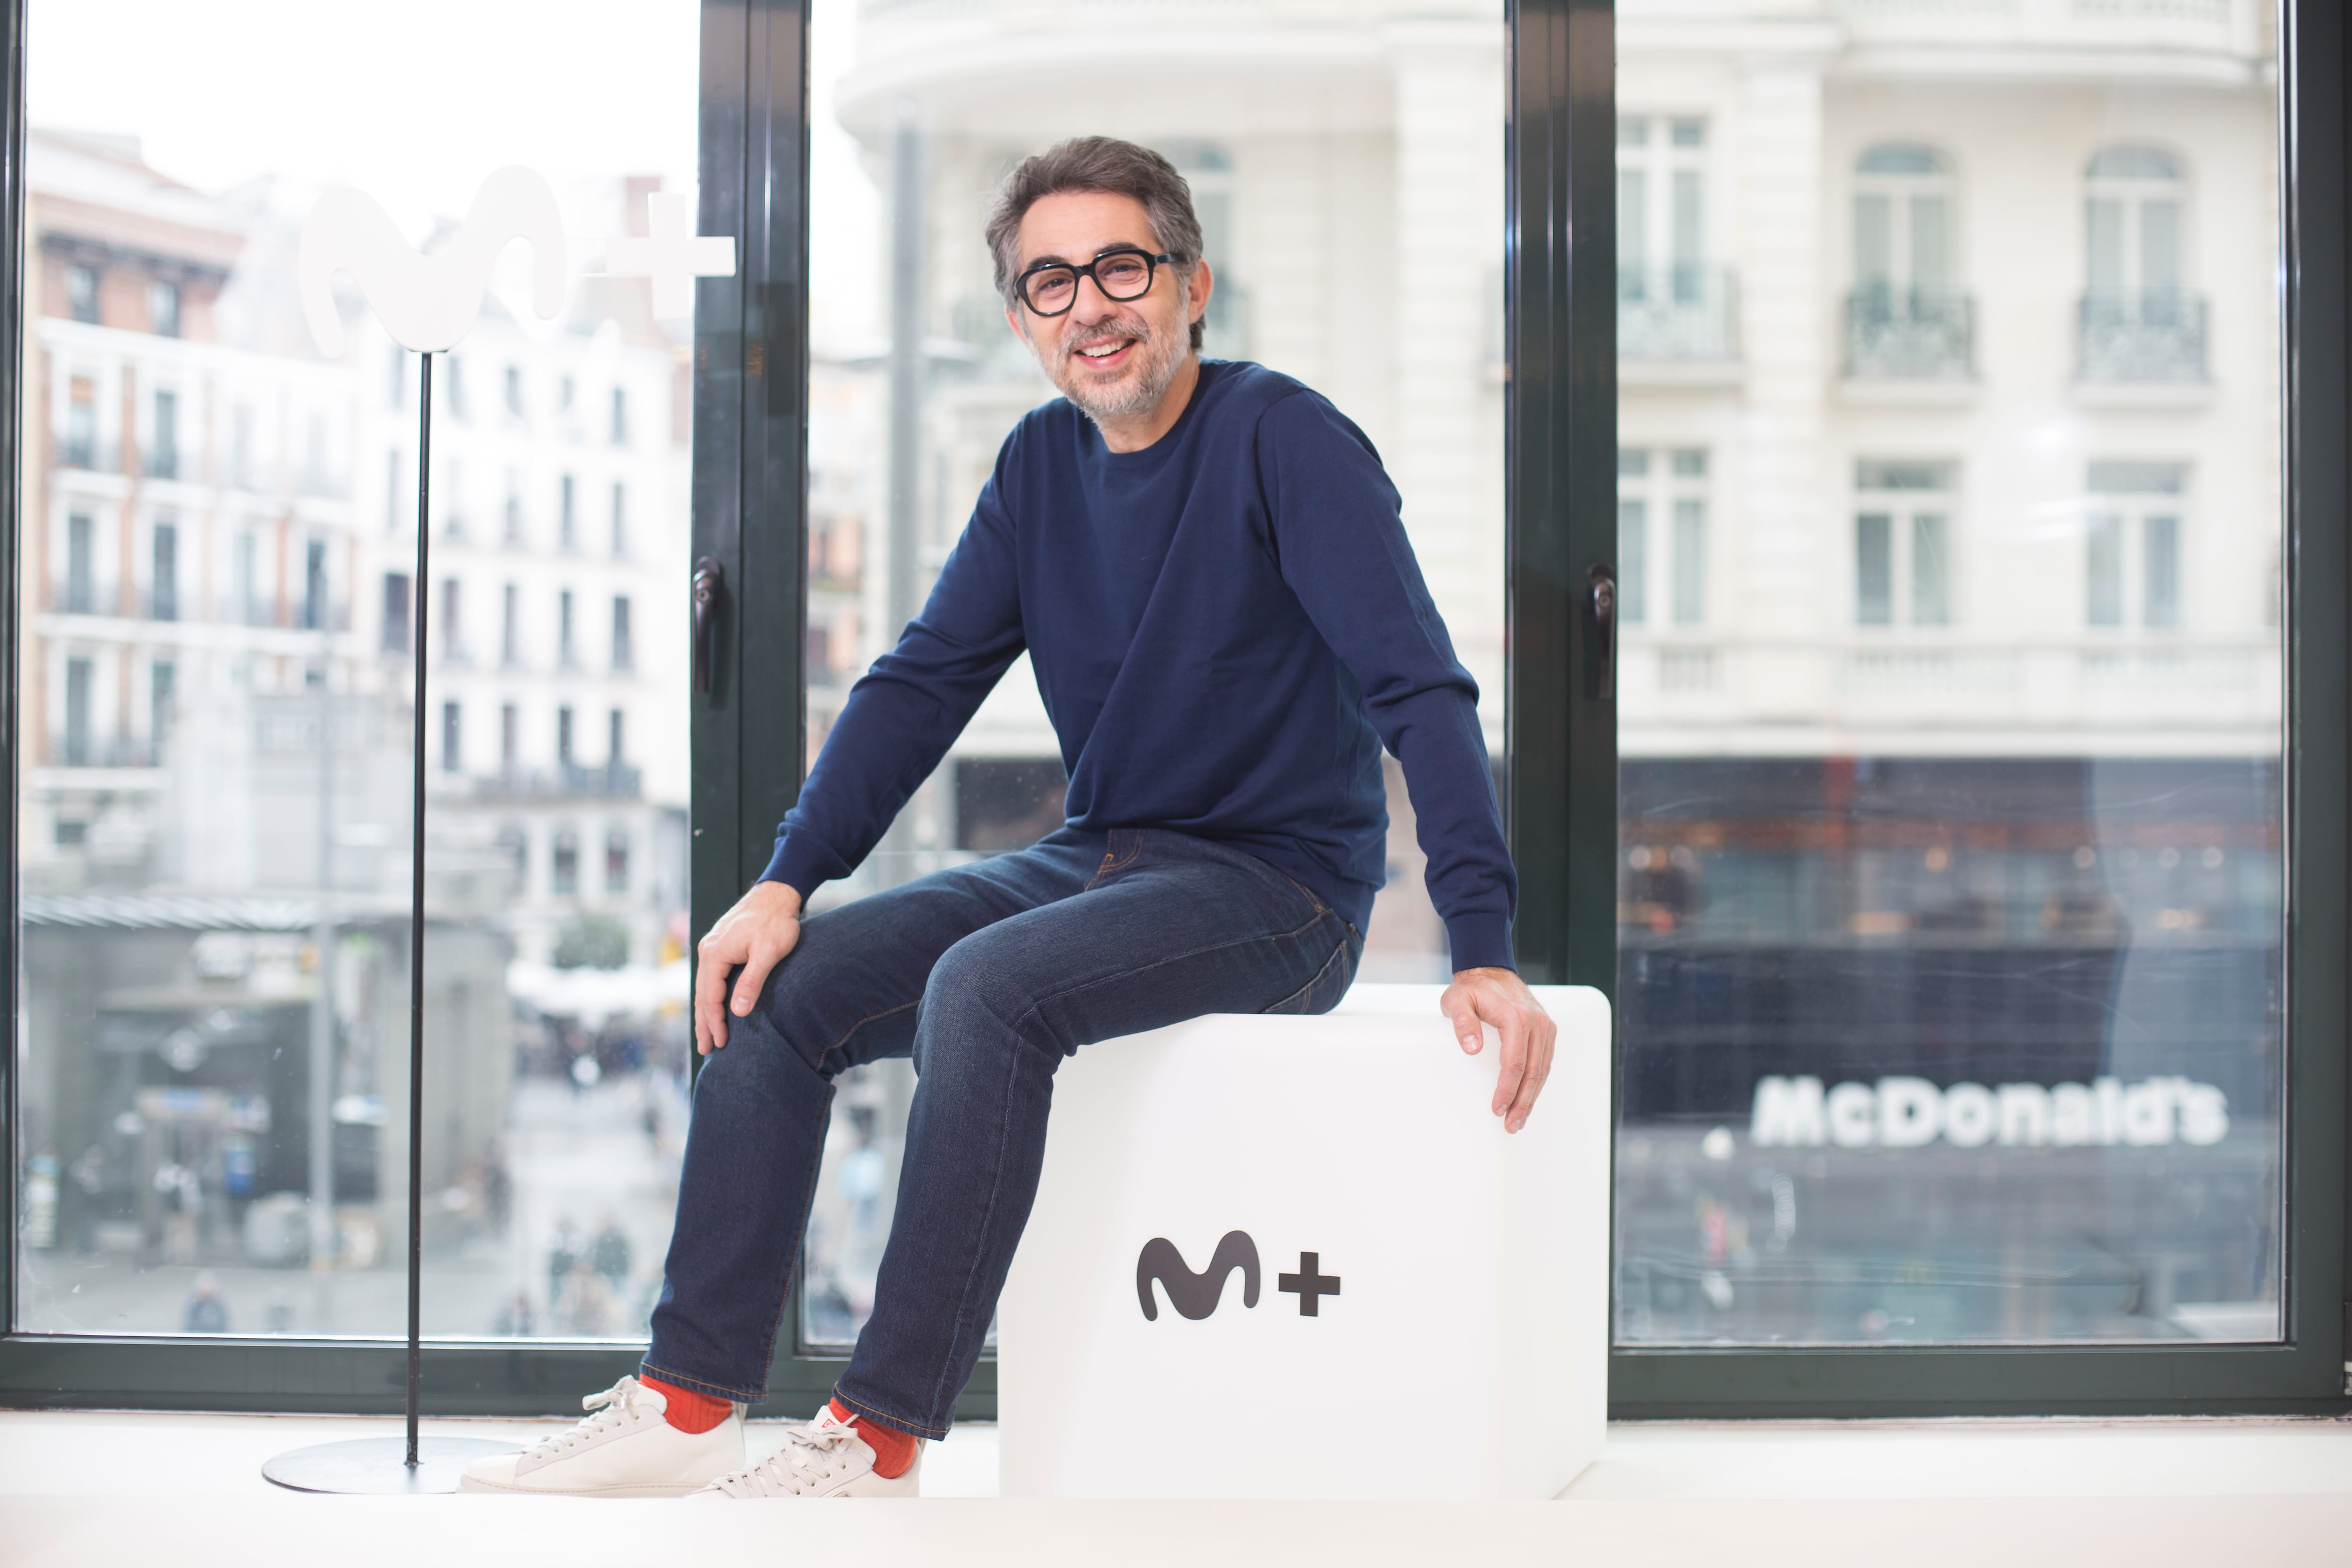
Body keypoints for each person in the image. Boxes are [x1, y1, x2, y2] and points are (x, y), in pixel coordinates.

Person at [460, 135, 1554, 1501]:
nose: (1089, 305)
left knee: (983, 989)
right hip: (1102, 860)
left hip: (1283, 892)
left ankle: (878, 1437)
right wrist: (787, 880)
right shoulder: (1040, 464)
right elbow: (922, 682)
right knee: (772, 988)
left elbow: (1419, 688)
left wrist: (1482, 945)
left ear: (1192, 284)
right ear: (1024, 319)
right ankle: (687, 1401)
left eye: (1120, 267)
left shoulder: (1287, 440)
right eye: (1050, 281)